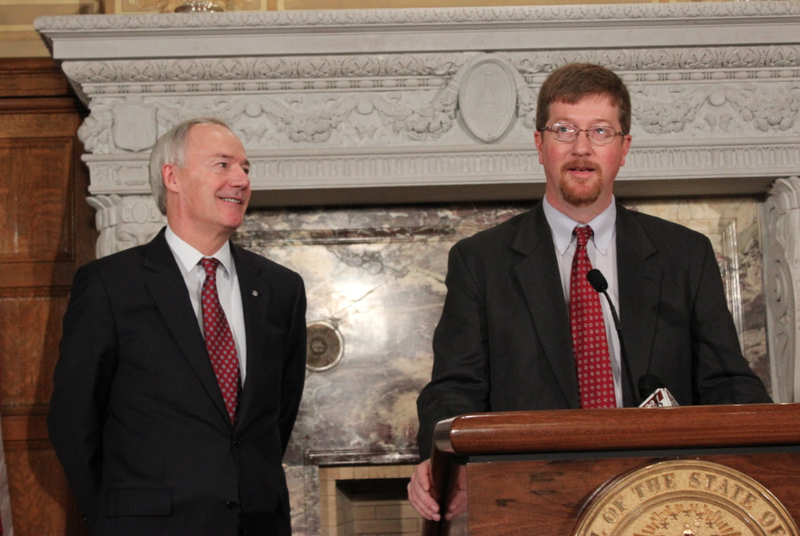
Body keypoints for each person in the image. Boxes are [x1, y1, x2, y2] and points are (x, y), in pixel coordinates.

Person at [408, 63, 772, 521]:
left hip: (661, 499)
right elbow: (455, 388)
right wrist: (440, 462)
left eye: (601, 131)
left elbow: (727, 381)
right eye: (564, 130)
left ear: (624, 148)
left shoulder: (685, 255)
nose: (581, 148)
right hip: (531, 496)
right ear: (540, 145)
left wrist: (766, 442)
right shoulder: (481, 261)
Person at [48, 118, 307, 536]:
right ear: (173, 177)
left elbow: (278, 413)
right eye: (223, 165)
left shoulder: (281, 288)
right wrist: (114, 518)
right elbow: (72, 419)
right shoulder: (110, 285)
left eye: (245, 168)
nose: (241, 180)